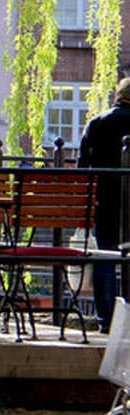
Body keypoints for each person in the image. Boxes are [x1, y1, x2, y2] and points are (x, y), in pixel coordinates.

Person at [77, 76, 130, 333]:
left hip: (104, 202)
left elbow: (81, 170)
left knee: (104, 257)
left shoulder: (97, 124)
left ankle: (106, 321)